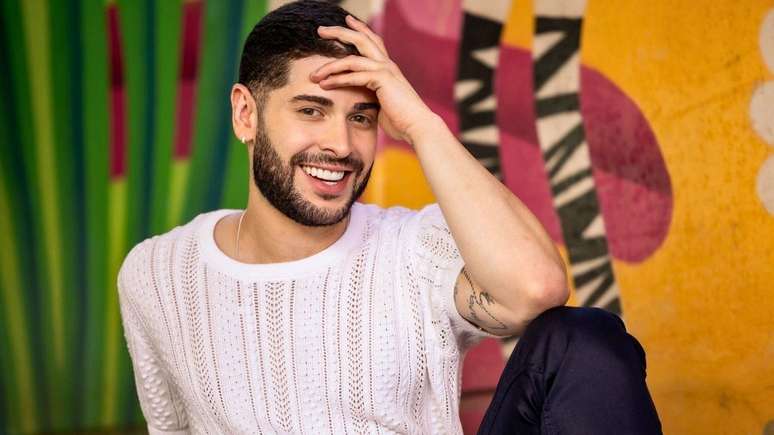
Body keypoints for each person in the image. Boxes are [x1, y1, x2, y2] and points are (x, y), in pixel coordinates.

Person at [116, 1, 662, 434]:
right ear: (245, 114)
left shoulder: (415, 248)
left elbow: (536, 289)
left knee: (584, 339)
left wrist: (422, 125)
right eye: (311, 110)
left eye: (361, 117)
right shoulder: (157, 275)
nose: (340, 144)